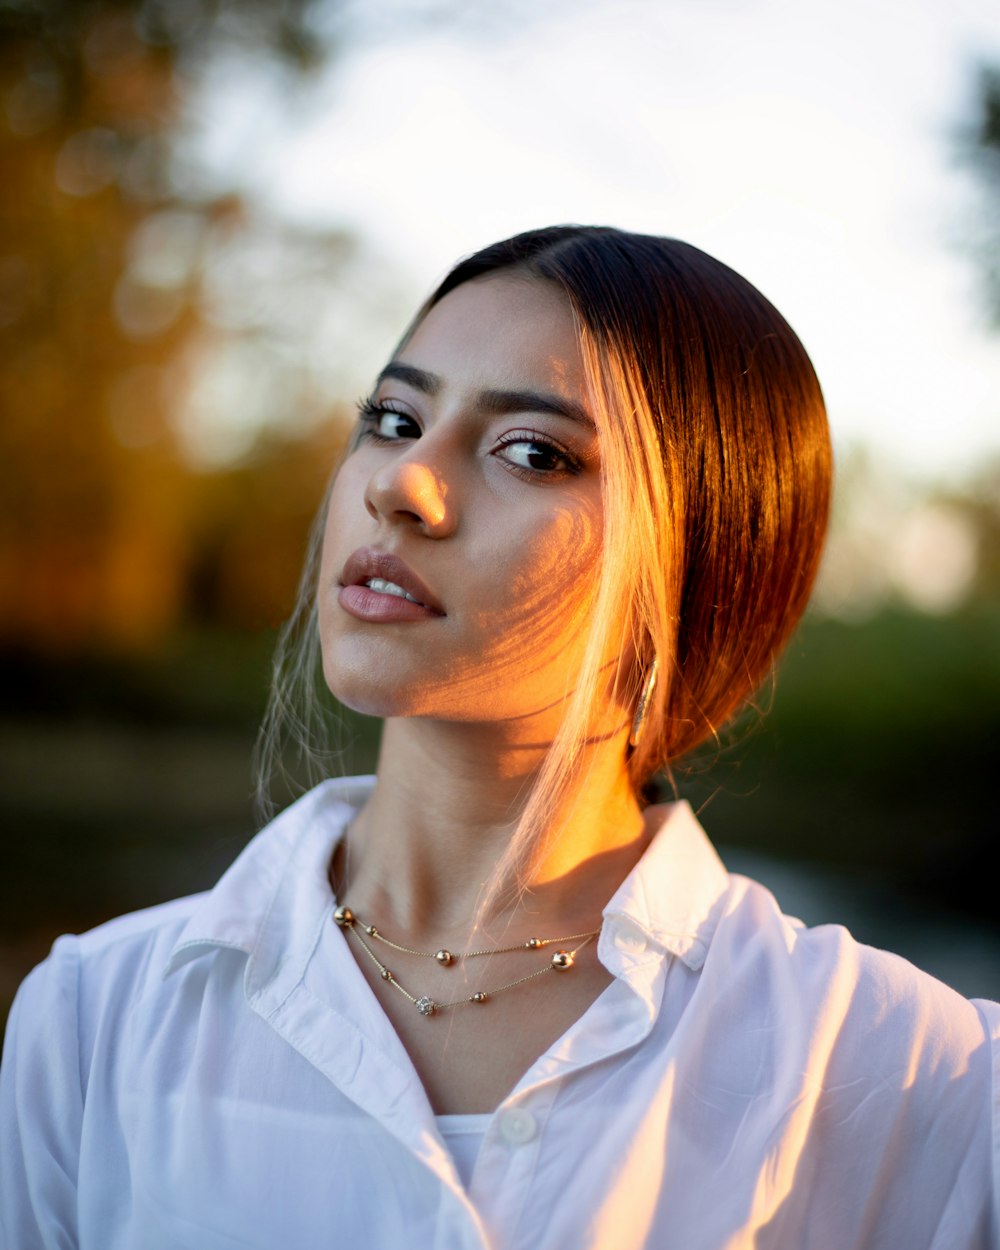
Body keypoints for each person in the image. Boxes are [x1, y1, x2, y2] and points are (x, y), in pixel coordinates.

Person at [1, 225, 997, 1250]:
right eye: (392, 418)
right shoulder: (92, 1023)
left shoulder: (924, 1085)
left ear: (703, 562)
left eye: (532, 451)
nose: (402, 484)